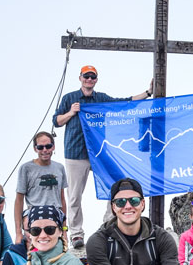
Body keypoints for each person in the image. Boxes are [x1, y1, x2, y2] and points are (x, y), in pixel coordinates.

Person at [52, 66, 151, 249]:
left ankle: (109, 223)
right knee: (74, 196)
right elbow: (56, 121)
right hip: (75, 153)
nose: (89, 79)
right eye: (86, 76)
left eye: (92, 76)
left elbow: (124, 103)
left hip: (98, 152)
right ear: (80, 78)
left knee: (117, 185)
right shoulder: (69, 98)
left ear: (96, 79)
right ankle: (76, 234)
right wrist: (71, 112)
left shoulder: (101, 98)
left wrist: (148, 92)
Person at [14, 132, 67, 244]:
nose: (45, 150)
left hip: (54, 213)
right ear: (35, 149)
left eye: (48, 146)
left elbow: (62, 199)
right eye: (40, 147)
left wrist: (65, 230)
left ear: (53, 146)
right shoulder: (26, 168)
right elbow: (19, 200)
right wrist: (18, 232)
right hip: (34, 214)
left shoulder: (59, 168)